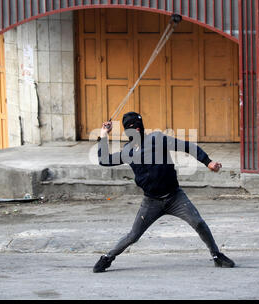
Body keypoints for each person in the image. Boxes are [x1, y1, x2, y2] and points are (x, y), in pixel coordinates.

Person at [93, 112, 235, 273]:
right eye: (132, 128)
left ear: (141, 128)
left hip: (175, 197)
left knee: (199, 223)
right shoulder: (128, 151)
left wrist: (208, 162)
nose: (136, 131)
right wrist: (103, 135)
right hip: (151, 202)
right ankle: (107, 257)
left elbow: (187, 146)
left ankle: (216, 255)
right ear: (128, 132)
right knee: (133, 235)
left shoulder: (157, 139)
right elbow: (104, 160)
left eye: (138, 127)